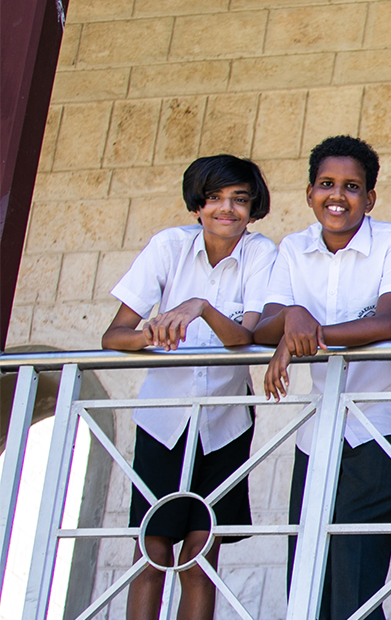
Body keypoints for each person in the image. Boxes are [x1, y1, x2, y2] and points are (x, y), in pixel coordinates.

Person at [258, 135, 391, 620]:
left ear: (369, 198)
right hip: (319, 432)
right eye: (327, 184)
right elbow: (265, 322)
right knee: (307, 572)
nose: (338, 195)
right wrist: (292, 315)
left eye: (352, 186)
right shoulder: (293, 247)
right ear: (310, 192)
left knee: (356, 575)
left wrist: (305, 334)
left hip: (384, 423)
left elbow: (387, 321)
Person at [102, 154, 276, 620]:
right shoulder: (168, 247)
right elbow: (113, 335)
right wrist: (151, 333)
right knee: (151, 555)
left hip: (225, 422)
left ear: (253, 206)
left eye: (240, 199)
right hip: (163, 420)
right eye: (215, 198)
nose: (227, 209)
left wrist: (198, 306)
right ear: (197, 205)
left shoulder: (262, 253)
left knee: (200, 560)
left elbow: (247, 335)